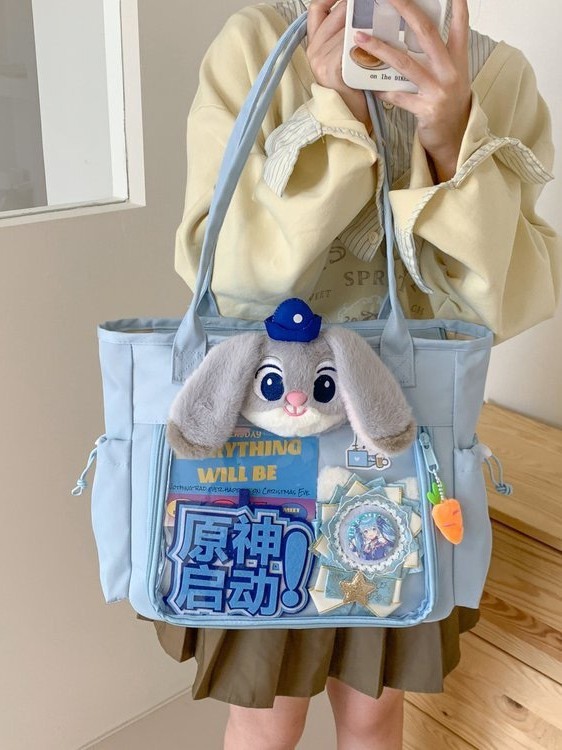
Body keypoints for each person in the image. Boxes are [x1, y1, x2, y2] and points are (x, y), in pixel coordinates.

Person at [151, 0, 560, 748]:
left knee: (373, 709)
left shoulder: (497, 76)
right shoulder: (256, 47)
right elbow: (227, 281)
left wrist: (452, 141)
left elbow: (501, 305)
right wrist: (331, 113)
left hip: (401, 460)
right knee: (266, 713)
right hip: (261, 465)